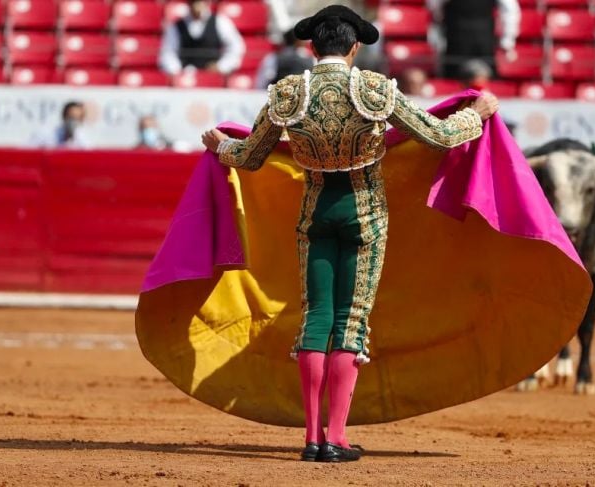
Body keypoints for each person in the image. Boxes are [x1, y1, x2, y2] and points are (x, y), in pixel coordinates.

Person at [201, 5, 498, 463]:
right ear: (355, 47)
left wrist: (220, 147)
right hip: (364, 214)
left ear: (310, 47)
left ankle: (311, 438)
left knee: (316, 315)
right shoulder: (374, 89)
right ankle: (336, 437)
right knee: (351, 318)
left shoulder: (288, 93)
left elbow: (251, 156)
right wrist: (475, 115)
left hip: (314, 214)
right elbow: (438, 137)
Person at [427, 0, 521, 78]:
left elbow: (510, 10)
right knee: (454, 83)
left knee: (485, 83)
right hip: (456, 39)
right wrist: (507, 41)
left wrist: (507, 41)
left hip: (483, 41)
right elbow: (434, 7)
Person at [159, 0, 245, 76]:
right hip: (185, 82)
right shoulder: (176, 26)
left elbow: (236, 47)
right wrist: (176, 71)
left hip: (213, 80)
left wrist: (221, 66)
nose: (197, 5)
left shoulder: (220, 22)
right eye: (194, 1)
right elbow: (168, 53)